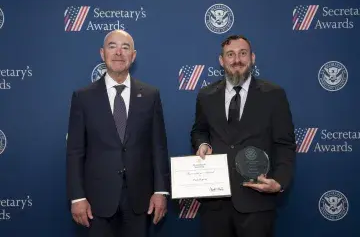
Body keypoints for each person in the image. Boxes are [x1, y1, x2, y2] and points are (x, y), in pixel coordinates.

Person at [66, 30, 170, 237]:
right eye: (112, 46)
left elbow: (158, 147)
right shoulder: (83, 97)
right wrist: (77, 197)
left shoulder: (151, 95)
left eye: (125, 47)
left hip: (140, 200)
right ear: (102, 53)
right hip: (97, 202)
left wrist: (160, 191)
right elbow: (75, 151)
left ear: (133, 55)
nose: (119, 53)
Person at [190, 35, 296, 237]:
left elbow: (285, 144)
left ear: (252, 57)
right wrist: (202, 143)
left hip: (257, 202)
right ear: (222, 61)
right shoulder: (206, 95)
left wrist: (280, 182)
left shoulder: (274, 94)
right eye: (230, 54)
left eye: (242, 53)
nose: (236, 59)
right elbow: (199, 130)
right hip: (215, 204)